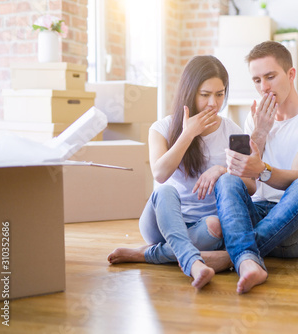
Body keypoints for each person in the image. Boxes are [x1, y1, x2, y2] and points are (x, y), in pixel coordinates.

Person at [107, 55, 255, 289]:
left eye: (220, 94)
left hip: (203, 229)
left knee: (217, 225)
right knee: (165, 191)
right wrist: (188, 134)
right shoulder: (162, 128)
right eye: (205, 95)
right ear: (190, 92)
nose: (213, 104)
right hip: (161, 221)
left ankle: (147, 255)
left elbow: (251, 185)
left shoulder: (233, 131)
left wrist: (221, 170)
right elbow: (160, 174)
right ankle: (192, 261)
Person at [214, 41, 298, 294]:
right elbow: (246, 183)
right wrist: (260, 133)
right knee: (226, 180)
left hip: (296, 228)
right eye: (256, 80)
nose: (263, 88)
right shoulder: (254, 119)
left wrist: (262, 168)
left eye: (270, 77)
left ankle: (233, 254)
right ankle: (248, 261)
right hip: (258, 213)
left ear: (290, 75)